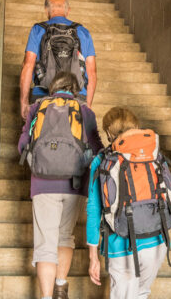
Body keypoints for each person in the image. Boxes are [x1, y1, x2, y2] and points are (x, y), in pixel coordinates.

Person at [86, 107, 171, 298]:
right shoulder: (155, 156)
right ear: (135, 127)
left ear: (109, 133)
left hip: (120, 243)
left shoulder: (102, 160)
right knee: (141, 293)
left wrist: (93, 256)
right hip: (157, 241)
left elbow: (93, 210)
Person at [18, 72, 103, 299]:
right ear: (76, 90)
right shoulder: (84, 111)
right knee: (65, 236)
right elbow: (97, 150)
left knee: (45, 242)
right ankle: (61, 288)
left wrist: (39, 164)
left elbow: (23, 144)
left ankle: (45, 297)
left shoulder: (38, 108)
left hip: (42, 184)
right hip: (74, 184)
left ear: (52, 88)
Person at [20, 0, 97, 120]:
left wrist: (24, 103)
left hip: (42, 97)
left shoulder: (38, 30)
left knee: (38, 136)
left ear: (46, 10)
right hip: (76, 97)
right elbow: (92, 72)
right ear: (68, 11)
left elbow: (28, 65)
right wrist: (87, 105)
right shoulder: (83, 32)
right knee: (75, 138)